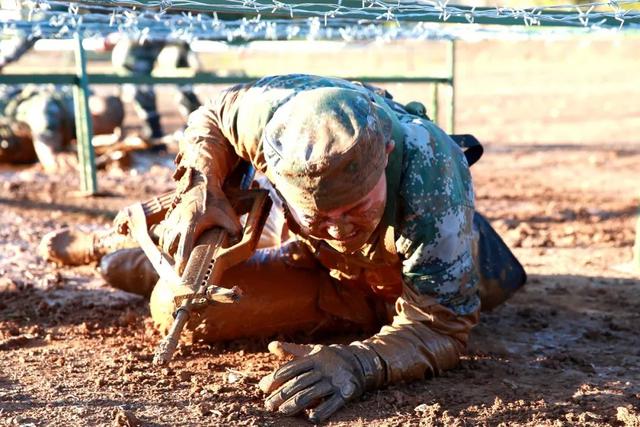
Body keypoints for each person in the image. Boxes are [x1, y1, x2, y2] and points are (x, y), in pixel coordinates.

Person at [40, 74, 525, 423]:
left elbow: (441, 325)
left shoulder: (432, 183)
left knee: (181, 310)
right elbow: (212, 116)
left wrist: (361, 363)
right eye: (321, 214)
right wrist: (200, 185)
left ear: (388, 158)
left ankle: (143, 265)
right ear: (270, 170)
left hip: (391, 283)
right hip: (305, 253)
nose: (337, 227)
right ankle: (130, 253)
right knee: (175, 294)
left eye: (354, 208)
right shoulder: (273, 112)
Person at [0, 84, 126, 172]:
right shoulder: (47, 111)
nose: (92, 135)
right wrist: (90, 164)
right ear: (93, 117)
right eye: (95, 132)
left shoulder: (86, 95)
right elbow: (50, 161)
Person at [111, 36, 202, 141]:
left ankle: (198, 125)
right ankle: (153, 131)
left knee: (185, 82)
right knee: (142, 84)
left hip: (170, 34)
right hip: (139, 43)